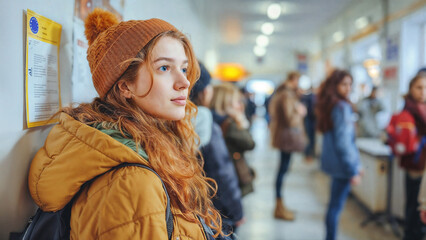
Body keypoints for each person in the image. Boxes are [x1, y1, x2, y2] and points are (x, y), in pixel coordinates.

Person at [27, 9, 225, 239]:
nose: (184, 82)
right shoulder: (132, 181)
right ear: (124, 86)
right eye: (164, 68)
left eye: (183, 68)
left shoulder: (154, 146)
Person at [190, 63, 244, 238]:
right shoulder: (207, 124)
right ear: (205, 91)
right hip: (216, 209)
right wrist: (237, 210)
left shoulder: (172, 122)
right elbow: (223, 172)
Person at [315, 69, 362, 240]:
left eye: (350, 84)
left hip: (335, 163)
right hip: (342, 165)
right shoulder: (341, 107)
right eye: (344, 84)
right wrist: (353, 168)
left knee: (333, 206)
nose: (348, 88)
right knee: (335, 207)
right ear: (334, 86)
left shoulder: (332, 105)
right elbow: (344, 143)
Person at [268, 71, 307, 221]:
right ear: (294, 79)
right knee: (282, 171)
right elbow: (290, 119)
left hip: (284, 137)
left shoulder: (284, 93)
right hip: (286, 138)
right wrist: (300, 112)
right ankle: (279, 207)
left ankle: (280, 205)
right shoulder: (287, 95)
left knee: (283, 171)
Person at [210, 83, 256, 198]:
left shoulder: (213, 120)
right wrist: (242, 122)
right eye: (237, 101)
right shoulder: (230, 124)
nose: (241, 106)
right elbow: (250, 144)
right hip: (230, 177)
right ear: (227, 103)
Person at [398, 73, 426, 240]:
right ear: (411, 89)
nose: (423, 92)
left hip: (423, 165)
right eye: (419, 87)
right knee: (414, 206)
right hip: (415, 164)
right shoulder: (409, 109)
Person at [300, 87, 317, 162]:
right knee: (310, 138)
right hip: (310, 120)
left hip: (310, 120)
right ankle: (308, 154)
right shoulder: (311, 97)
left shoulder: (307, 97)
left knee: (310, 138)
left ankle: (310, 154)